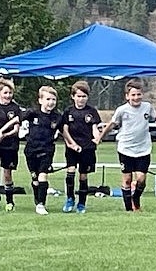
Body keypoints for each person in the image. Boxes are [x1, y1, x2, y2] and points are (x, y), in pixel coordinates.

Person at [96, 79, 156, 212]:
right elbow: (111, 124)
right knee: (127, 178)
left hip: (143, 149)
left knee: (141, 179)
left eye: (138, 94)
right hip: (126, 149)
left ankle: (136, 199)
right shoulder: (122, 110)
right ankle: (128, 208)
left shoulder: (147, 107)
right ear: (127, 96)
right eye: (133, 95)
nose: (136, 98)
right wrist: (100, 137)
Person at [2, 86, 62, 215]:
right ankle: (37, 199)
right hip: (31, 151)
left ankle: (41, 205)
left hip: (47, 150)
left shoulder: (57, 117)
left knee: (42, 176)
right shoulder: (32, 113)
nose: (50, 102)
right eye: (47, 99)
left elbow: (66, 131)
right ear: (40, 100)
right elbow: (15, 120)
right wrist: (1, 131)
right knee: (35, 179)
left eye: (53, 99)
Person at [60, 81, 101, 214]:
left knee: (83, 176)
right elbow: (64, 130)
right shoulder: (68, 111)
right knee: (70, 172)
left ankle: (82, 203)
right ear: (73, 96)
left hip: (87, 148)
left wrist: (97, 138)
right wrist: (71, 143)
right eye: (78, 96)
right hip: (72, 148)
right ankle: (70, 198)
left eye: (84, 96)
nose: (81, 99)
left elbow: (95, 128)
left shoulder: (91, 111)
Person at [0, 78, 22, 211]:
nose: (8, 96)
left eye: (10, 93)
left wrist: (4, 135)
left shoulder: (15, 108)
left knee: (7, 174)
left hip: (10, 144)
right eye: (5, 93)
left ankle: (9, 201)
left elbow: (16, 129)